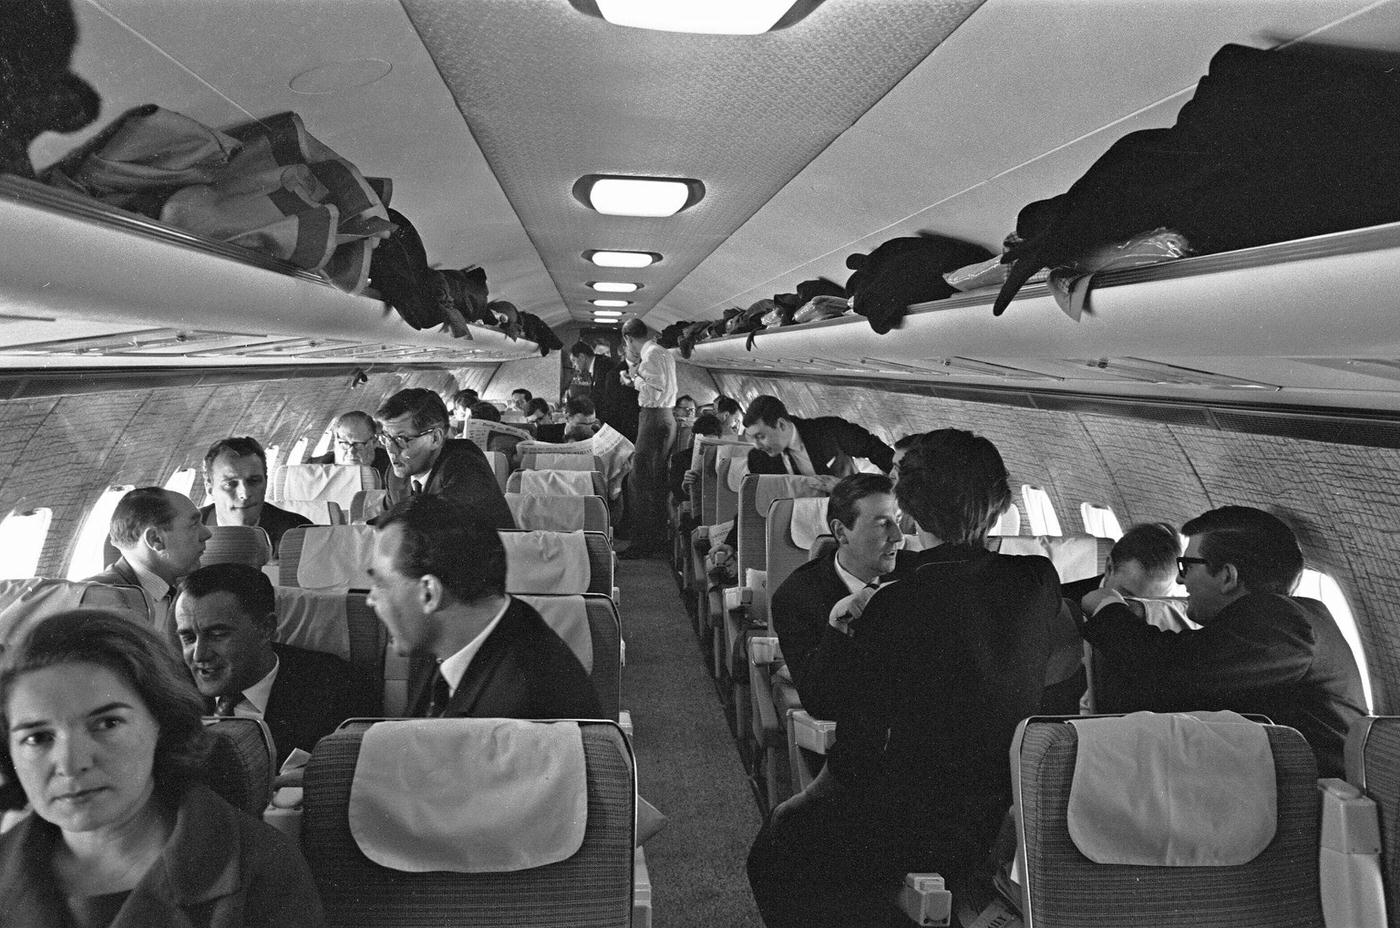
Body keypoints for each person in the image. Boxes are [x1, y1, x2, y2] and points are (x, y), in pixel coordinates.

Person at [748, 429, 1059, 928]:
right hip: (998, 812)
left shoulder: (892, 600)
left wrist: (839, 624)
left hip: (910, 820)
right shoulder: (1039, 580)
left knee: (773, 855)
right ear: (998, 505)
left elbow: (825, 701)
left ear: (911, 508)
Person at [0, 610, 323, 927]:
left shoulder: (262, 870)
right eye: (37, 737)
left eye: (107, 723)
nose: (71, 764)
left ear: (162, 723)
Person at [1079, 505, 1366, 777]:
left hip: (1311, 800)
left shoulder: (1283, 622)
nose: (1181, 582)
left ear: (1227, 576)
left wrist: (1108, 608)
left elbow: (1169, 669)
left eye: (1187, 567)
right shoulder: (1278, 619)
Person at [365, 496, 601, 719]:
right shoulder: (449, 637)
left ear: (429, 593)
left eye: (380, 584)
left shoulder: (520, 708)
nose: (371, 599)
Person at [175, 563, 367, 766]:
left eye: (218, 635)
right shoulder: (169, 689)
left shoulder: (339, 689)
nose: (199, 655)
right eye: (188, 637)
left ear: (266, 629)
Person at [770, 474, 909, 721]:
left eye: (897, 521)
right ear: (841, 532)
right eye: (882, 524)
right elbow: (820, 703)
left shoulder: (917, 575)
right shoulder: (797, 597)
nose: (898, 537)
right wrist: (837, 627)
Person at [375, 388, 515, 530]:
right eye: (386, 438)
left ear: (435, 438)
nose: (391, 450)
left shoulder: (465, 465)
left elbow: (438, 528)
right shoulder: (395, 476)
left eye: (401, 439)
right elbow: (386, 524)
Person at [87, 487, 210, 643]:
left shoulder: (174, 590)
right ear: (155, 539)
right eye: (194, 524)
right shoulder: (101, 602)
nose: (206, 534)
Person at [618, 318, 677, 560]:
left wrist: (634, 378)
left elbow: (654, 390)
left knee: (639, 481)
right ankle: (652, 539)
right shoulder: (662, 352)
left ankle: (643, 543)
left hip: (654, 419)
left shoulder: (651, 354)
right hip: (662, 418)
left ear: (628, 339)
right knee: (651, 480)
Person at [200, 437, 311, 559]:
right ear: (209, 488)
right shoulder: (190, 531)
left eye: (254, 481)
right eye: (230, 484)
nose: (245, 494)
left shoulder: (297, 531)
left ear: (266, 482)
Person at [744, 394, 894, 477]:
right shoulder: (758, 460)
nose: (757, 446)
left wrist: (903, 482)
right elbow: (755, 508)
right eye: (753, 438)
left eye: (760, 436)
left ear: (781, 425)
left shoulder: (829, 430)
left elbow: (874, 448)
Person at [1061, 520, 1181, 602]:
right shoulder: (1056, 603)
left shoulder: (1171, 620)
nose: (1139, 612)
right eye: (1128, 598)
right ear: (1109, 568)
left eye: (1153, 603)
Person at [306, 410, 392, 480]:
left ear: (374, 441)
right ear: (336, 441)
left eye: (358, 444)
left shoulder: (392, 472)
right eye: (344, 443)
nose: (351, 452)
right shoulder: (313, 470)